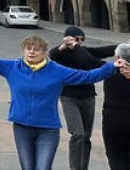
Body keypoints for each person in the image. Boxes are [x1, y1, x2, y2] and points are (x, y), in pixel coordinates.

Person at [0, 33, 121, 170]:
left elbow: (88, 76)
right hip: (22, 127)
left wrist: (112, 66)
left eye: (36, 49)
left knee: (43, 167)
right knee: (28, 167)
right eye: (28, 48)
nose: (32, 52)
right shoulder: (12, 68)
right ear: (23, 50)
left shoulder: (57, 71)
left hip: (48, 130)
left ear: (44, 52)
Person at [49, 27, 117, 170]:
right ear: (67, 39)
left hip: (88, 97)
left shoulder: (84, 52)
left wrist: (124, 46)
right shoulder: (61, 54)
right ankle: (75, 168)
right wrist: (64, 46)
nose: (79, 42)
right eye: (76, 39)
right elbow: (52, 54)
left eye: (81, 39)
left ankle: (82, 167)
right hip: (69, 97)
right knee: (78, 134)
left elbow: (105, 51)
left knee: (86, 137)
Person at [104, 43, 130, 169]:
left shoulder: (110, 71)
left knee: (115, 157)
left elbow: (87, 56)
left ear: (117, 56)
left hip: (113, 119)